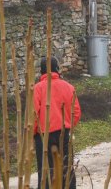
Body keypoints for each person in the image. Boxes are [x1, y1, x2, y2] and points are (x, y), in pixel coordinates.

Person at [34, 57, 81, 189]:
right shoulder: (69, 87)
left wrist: (34, 133)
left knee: (46, 171)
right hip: (63, 133)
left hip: (43, 137)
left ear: (41, 71)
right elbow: (76, 112)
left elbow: (33, 115)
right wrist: (68, 126)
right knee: (67, 168)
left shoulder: (37, 89)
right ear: (57, 69)